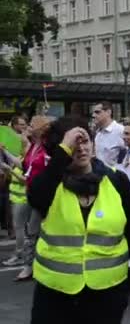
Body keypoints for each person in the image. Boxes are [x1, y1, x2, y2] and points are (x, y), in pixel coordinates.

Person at [28, 116, 130, 323]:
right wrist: (62, 152)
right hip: (55, 293)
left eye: (85, 141)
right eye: (73, 144)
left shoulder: (117, 181)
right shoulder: (51, 183)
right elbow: (36, 197)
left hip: (107, 294)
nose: (81, 149)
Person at [15, 116, 53, 281]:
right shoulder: (32, 146)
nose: (28, 127)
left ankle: (29, 266)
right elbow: (25, 167)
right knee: (26, 227)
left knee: (33, 230)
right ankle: (30, 263)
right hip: (29, 191)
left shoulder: (47, 148)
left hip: (41, 195)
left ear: (40, 129)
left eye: (31, 125)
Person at [92, 102, 124, 166]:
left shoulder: (120, 130)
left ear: (108, 112)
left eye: (97, 112)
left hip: (114, 174)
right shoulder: (97, 133)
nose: (93, 115)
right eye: (93, 113)